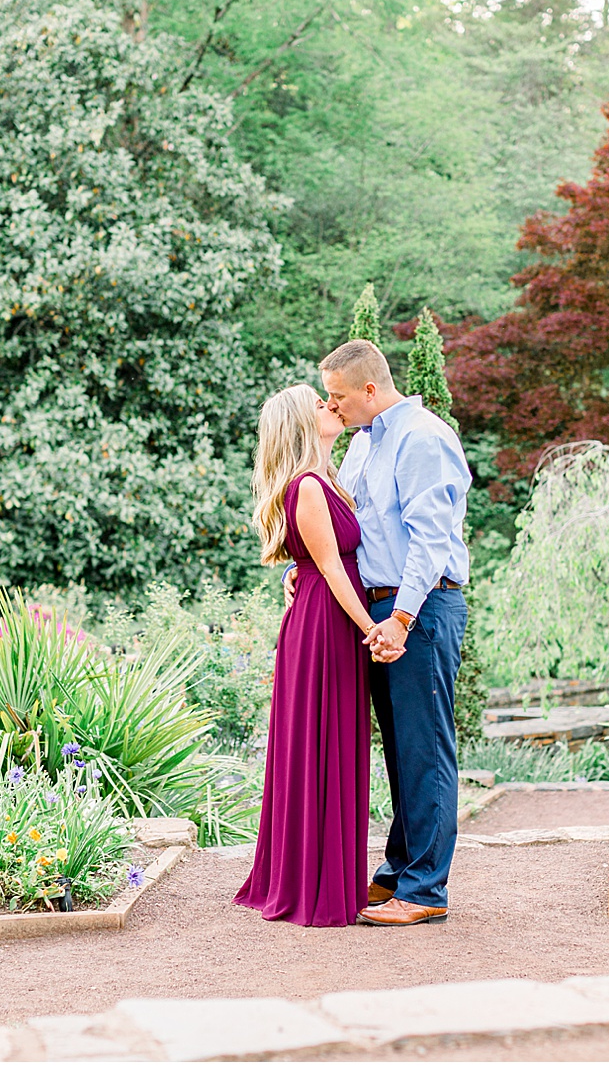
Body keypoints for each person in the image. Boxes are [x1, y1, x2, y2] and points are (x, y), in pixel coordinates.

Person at [318, 338, 471, 927]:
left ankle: (426, 890)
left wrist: (402, 619)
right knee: (403, 751)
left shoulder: (423, 438)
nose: (333, 406)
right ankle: (398, 871)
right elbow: (349, 524)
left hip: (421, 611)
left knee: (425, 749)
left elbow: (430, 539)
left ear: (370, 389)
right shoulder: (363, 443)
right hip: (381, 612)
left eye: (338, 396)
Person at [234, 383, 379, 927]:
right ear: (301, 423)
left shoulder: (326, 479)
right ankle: (313, 883)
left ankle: (322, 874)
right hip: (326, 625)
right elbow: (332, 567)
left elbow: (319, 560)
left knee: (330, 742)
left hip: (327, 616)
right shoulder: (310, 486)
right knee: (322, 741)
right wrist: (373, 629)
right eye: (320, 403)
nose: (331, 405)